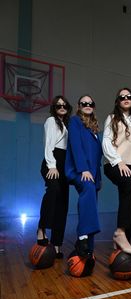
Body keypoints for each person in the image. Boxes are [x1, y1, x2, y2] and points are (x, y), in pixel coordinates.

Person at [102, 88, 131, 254]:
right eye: (122, 97)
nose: (126, 99)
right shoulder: (112, 118)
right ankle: (120, 233)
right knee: (130, 186)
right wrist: (118, 161)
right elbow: (105, 142)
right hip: (114, 163)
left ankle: (125, 241)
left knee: (129, 196)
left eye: (129, 97)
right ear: (118, 101)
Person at [65, 95, 102, 258]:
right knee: (87, 188)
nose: (87, 105)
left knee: (91, 206)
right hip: (78, 170)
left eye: (90, 103)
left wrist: (97, 177)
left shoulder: (94, 129)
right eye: (84, 103)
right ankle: (81, 238)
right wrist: (83, 169)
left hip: (94, 175)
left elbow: (97, 156)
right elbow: (75, 145)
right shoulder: (74, 121)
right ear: (79, 106)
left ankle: (89, 249)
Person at [37, 95, 72, 258]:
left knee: (63, 204)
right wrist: (52, 165)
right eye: (58, 106)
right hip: (53, 162)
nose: (62, 107)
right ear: (54, 108)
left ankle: (57, 244)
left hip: (64, 165)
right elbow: (48, 144)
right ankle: (41, 228)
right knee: (53, 190)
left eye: (64, 105)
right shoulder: (51, 121)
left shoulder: (68, 124)